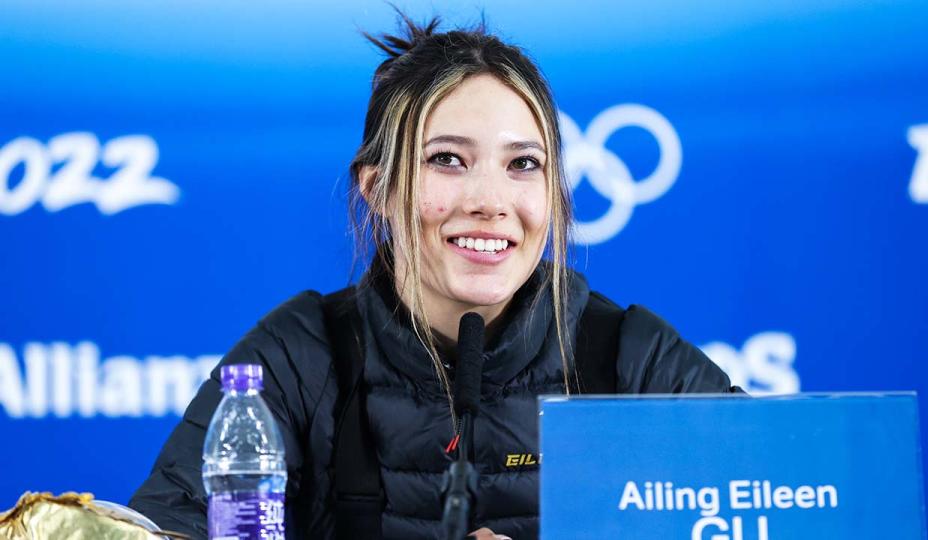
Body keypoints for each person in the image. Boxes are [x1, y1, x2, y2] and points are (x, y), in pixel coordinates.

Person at [129, 12, 740, 540]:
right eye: (447, 159)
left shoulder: (630, 358)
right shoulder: (298, 358)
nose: (490, 200)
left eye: (523, 164)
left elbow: (790, 511)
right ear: (380, 189)